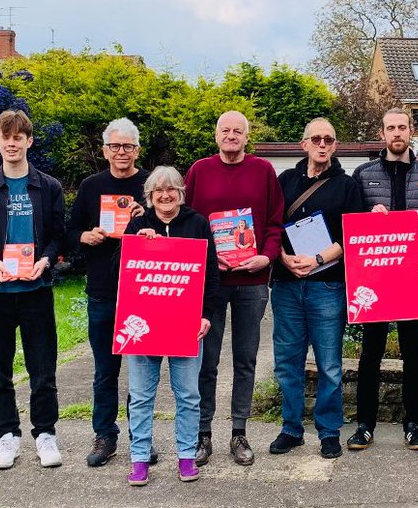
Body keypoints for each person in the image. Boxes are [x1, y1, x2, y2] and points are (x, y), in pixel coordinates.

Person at [0, 109, 66, 470]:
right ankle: (7, 436)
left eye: (18, 137)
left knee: (43, 368)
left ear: (28, 141)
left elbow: (58, 236)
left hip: (37, 290)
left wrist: (47, 260)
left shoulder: (48, 187)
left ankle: (45, 434)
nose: (11, 143)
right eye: (5, 137)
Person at [183, 110, 284, 466]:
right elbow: (188, 222)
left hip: (252, 279)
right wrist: (207, 260)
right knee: (205, 359)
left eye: (237, 131)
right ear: (216, 135)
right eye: (225, 130)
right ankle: (202, 434)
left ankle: (239, 432)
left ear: (246, 136)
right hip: (210, 282)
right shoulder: (199, 171)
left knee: (245, 358)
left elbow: (275, 222)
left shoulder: (263, 171)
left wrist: (267, 257)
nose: (231, 136)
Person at [347, 108, 418, 452]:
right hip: (373, 278)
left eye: (402, 127)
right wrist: (367, 217)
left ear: (411, 131)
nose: (396, 133)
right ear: (382, 133)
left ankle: (413, 424)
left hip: (411, 277)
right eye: (390, 128)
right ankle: (364, 425)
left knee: (412, 354)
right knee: (370, 353)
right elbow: (351, 224)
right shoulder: (363, 175)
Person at [267, 118, 365, 460]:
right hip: (286, 284)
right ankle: (291, 429)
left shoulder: (348, 186)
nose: (323, 144)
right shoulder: (284, 181)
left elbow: (350, 236)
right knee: (287, 363)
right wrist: (283, 256)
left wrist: (318, 258)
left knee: (329, 365)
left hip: (327, 285)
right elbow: (271, 225)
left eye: (329, 139)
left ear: (335, 146)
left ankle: (328, 431)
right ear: (304, 143)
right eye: (317, 139)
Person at [122, 166, 219, 485]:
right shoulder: (138, 224)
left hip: (186, 325)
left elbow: (211, 276)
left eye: (172, 189)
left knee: (189, 394)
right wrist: (137, 242)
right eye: (158, 190)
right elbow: (118, 274)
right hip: (144, 325)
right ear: (149, 196)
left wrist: (206, 314)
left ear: (181, 193)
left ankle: (187, 456)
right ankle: (139, 458)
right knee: (141, 394)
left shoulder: (198, 223)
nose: (165, 195)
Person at [66, 118, 149, 467]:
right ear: (104, 150)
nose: (121, 152)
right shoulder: (90, 186)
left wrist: (149, 222)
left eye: (127, 146)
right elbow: (69, 232)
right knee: (105, 369)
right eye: (115, 146)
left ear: (137, 150)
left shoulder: (150, 184)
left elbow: (172, 227)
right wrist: (84, 237)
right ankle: (105, 435)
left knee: (143, 371)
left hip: (142, 291)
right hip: (102, 289)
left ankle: (141, 439)